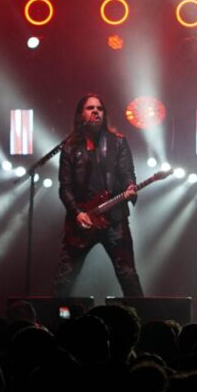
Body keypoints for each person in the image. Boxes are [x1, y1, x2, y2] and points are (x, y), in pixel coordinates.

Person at [53, 93, 144, 297]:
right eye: (90, 108)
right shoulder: (69, 147)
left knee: (127, 274)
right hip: (83, 219)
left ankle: (142, 323)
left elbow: (128, 173)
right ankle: (57, 323)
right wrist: (77, 213)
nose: (96, 111)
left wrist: (130, 186)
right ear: (80, 115)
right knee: (64, 279)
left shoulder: (118, 142)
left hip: (114, 219)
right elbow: (64, 187)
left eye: (100, 108)